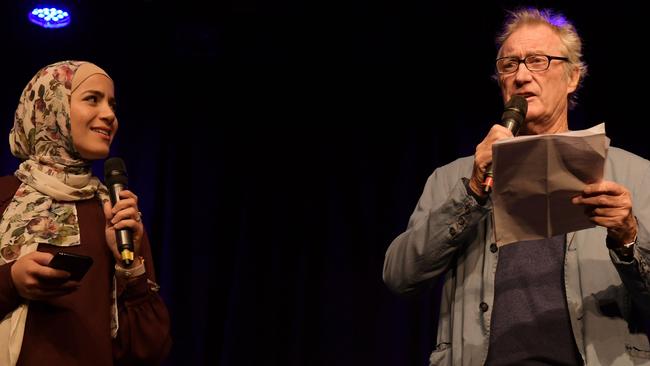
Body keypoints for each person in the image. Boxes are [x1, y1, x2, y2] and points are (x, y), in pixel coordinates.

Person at [383, 8, 650, 366]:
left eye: (537, 61)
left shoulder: (634, 174)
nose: (521, 76)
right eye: (509, 65)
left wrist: (627, 235)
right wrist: (472, 191)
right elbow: (400, 276)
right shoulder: (454, 178)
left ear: (573, 76)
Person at [0, 61, 171, 365]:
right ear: (50, 107)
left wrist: (130, 270)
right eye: (93, 99)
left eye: (112, 104)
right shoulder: (4, 196)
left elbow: (150, 349)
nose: (109, 115)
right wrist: (11, 281)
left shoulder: (116, 214)